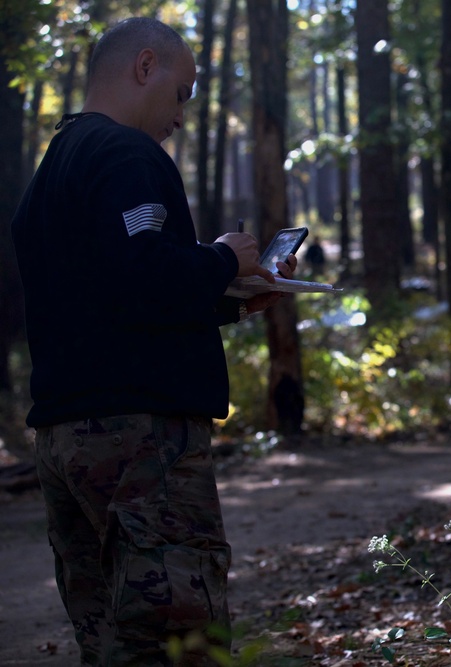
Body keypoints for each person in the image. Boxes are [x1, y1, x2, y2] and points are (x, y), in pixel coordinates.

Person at [11, 17, 297, 665]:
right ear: (146, 66)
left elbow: (104, 297)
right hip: (139, 441)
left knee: (111, 640)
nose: (181, 114)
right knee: (177, 639)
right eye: (183, 91)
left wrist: (231, 304)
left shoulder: (51, 171)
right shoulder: (127, 155)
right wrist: (224, 258)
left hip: (64, 436)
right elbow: (144, 275)